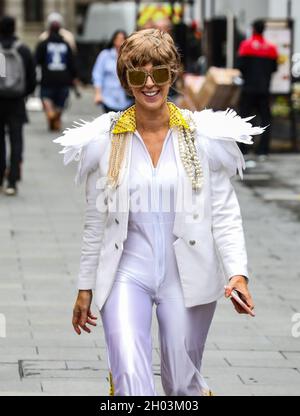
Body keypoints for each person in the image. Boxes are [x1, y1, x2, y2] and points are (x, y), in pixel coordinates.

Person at [54, 29, 264, 396]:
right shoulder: (104, 140)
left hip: (187, 275)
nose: (149, 84)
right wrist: (85, 287)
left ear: (173, 75)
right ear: (126, 81)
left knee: (182, 385)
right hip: (124, 272)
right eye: (138, 75)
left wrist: (238, 273)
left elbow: (225, 211)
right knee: (132, 384)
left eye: (160, 74)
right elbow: (95, 222)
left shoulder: (202, 136)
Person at [0, 15, 36, 196]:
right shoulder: (23, 50)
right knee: (16, 141)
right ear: (14, 28)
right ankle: (12, 181)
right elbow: (32, 78)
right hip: (16, 102)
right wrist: (24, 94)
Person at [237, 19, 278, 161]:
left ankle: (243, 149)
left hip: (248, 89)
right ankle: (263, 150)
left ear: (254, 29)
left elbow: (240, 66)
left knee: (244, 119)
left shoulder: (245, 46)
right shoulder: (271, 48)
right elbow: (274, 68)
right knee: (265, 119)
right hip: (264, 90)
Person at [36, 19, 77, 131]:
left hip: (47, 78)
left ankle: (50, 113)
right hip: (63, 78)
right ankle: (57, 115)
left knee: (46, 97)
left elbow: (37, 60)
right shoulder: (66, 44)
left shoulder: (43, 44)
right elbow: (71, 63)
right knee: (61, 101)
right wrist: (74, 77)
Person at [92, 30, 132, 112]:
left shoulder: (131, 56)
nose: (120, 42)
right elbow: (97, 75)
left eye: (123, 39)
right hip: (108, 98)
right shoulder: (105, 55)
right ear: (113, 40)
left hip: (126, 99)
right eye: (118, 39)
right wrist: (98, 94)